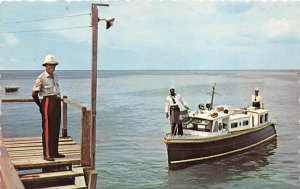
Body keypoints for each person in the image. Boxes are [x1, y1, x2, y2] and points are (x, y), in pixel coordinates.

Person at [32, 54, 65, 161]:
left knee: (56, 127)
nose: (52, 67)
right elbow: (34, 94)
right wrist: (40, 106)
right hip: (47, 102)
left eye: (54, 65)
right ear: (45, 66)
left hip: (56, 102)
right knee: (47, 129)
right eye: (50, 65)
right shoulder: (41, 78)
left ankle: (54, 152)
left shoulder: (55, 76)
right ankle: (47, 154)